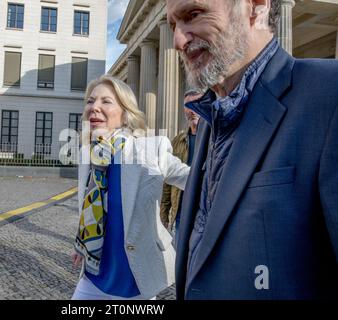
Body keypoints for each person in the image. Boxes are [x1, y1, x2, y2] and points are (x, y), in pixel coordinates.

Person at [167, 0, 338, 299]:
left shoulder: (329, 95)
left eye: (193, 14)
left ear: (256, 6)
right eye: (173, 26)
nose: (178, 41)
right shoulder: (210, 119)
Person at [70, 75, 190, 300]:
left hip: (135, 284)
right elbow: (91, 207)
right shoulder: (89, 153)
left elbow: (193, 180)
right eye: (90, 101)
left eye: (106, 101)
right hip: (94, 278)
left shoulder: (148, 152)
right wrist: (82, 244)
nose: (94, 107)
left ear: (125, 114)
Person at [160, 92, 201, 240]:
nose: (191, 110)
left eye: (195, 104)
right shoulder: (177, 141)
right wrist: (163, 216)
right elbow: (167, 183)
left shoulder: (214, 139)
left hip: (204, 215)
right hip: (180, 215)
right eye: (187, 106)